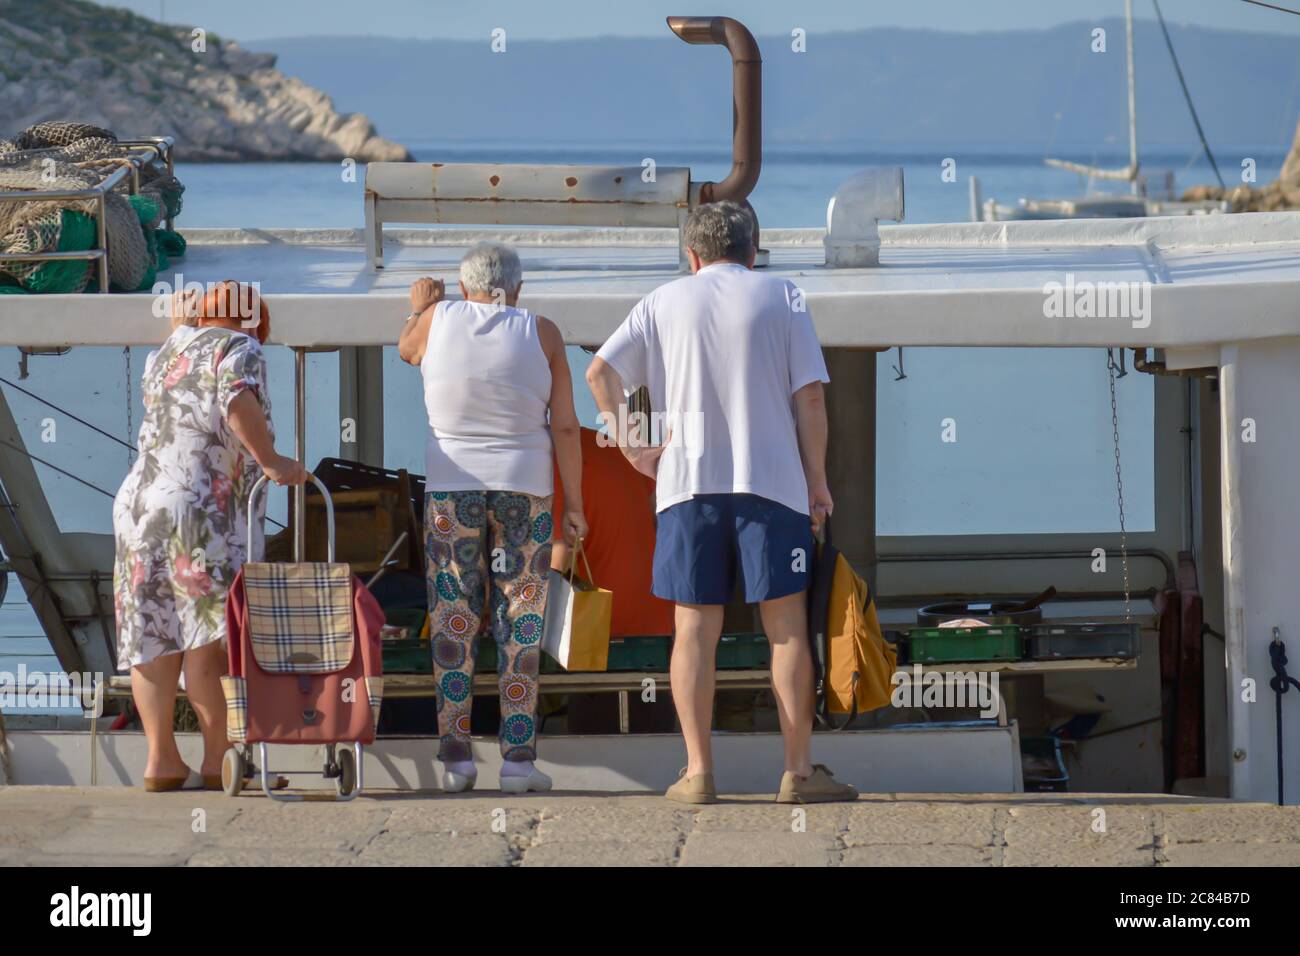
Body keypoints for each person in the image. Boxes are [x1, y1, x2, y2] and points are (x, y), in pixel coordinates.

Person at [586, 200, 857, 805]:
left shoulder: (663, 300)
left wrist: (632, 445)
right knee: (785, 630)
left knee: (693, 629)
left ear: (692, 255)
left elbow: (600, 373)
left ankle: (698, 772)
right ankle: (798, 773)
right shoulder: (782, 295)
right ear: (753, 251)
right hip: (773, 486)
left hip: (686, 486)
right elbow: (810, 399)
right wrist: (817, 481)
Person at [399, 241, 587, 794]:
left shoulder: (436, 319)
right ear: (519, 289)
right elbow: (568, 427)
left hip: (452, 489)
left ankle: (457, 758)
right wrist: (573, 504)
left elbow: (408, 351)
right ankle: (518, 763)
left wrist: (418, 307)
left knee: (454, 613)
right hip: (525, 488)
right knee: (521, 616)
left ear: (464, 289)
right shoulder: (543, 332)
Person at [113, 280, 307, 792]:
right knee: (210, 640)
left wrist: (185, 321)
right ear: (254, 322)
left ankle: (161, 761)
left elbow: (187, 351)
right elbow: (235, 397)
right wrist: (271, 461)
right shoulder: (239, 347)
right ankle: (221, 760)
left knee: (152, 635)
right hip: (199, 510)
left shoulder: (168, 351)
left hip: (138, 506)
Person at [550, 425, 676, 734]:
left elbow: (559, 556)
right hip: (657, 617)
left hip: (597, 629)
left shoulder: (554, 461)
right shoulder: (609, 443)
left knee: (596, 749)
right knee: (654, 741)